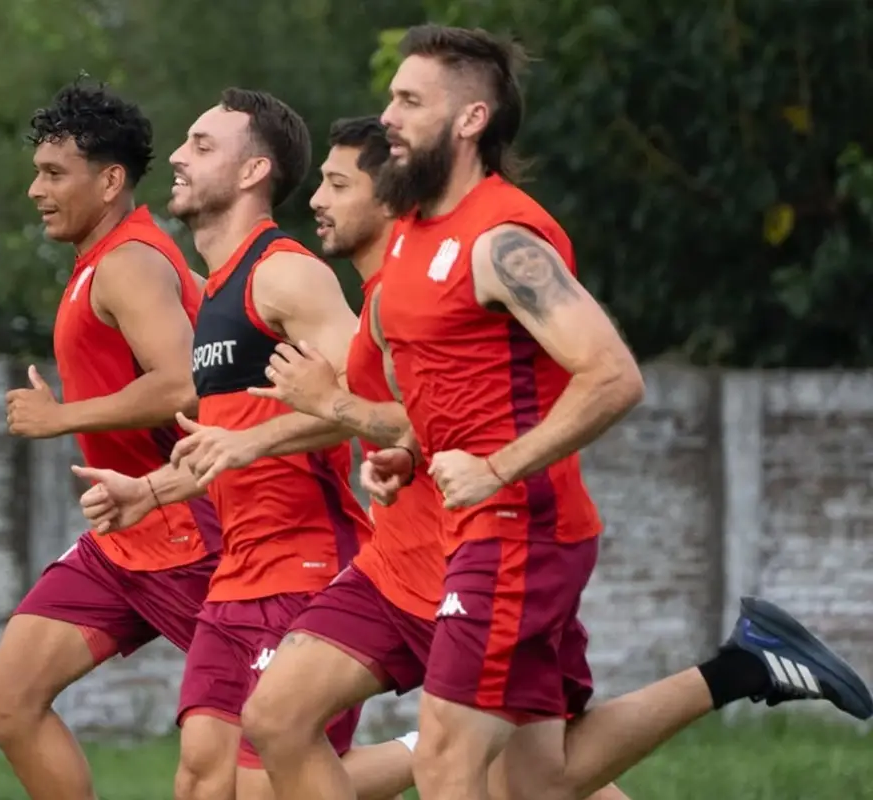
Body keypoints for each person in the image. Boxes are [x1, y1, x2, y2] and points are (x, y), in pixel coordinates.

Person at [361, 24, 873, 800]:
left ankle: (746, 662)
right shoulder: (410, 235)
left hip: (515, 531)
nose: (387, 117)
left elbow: (611, 376)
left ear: (470, 120)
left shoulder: (502, 240)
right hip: (491, 527)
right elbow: (469, 392)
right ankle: (744, 663)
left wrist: (495, 468)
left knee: (444, 762)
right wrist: (414, 450)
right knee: (537, 783)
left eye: (408, 100)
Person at [237, 117, 630, 800]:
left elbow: (432, 421)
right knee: (276, 719)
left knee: (526, 779)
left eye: (336, 184)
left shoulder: (429, 283)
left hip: (468, 559)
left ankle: (739, 670)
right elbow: (424, 428)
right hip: (398, 564)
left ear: (387, 195)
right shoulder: (389, 291)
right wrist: (388, 454)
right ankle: (741, 668)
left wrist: (336, 407)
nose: (316, 201)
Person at [73, 89, 414, 800]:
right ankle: (438, 750)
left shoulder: (284, 274)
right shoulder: (217, 291)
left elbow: (381, 402)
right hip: (237, 574)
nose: (176, 156)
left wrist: (254, 442)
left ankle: (431, 750)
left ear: (255, 170)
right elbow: (228, 444)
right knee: (200, 777)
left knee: (264, 787)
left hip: (307, 562)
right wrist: (152, 490)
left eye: (202, 145)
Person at [0, 79, 222, 800]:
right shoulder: (104, 260)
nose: (35, 190)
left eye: (55, 174)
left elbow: (182, 384)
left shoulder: (130, 263)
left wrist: (62, 419)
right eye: (38, 171)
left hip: (185, 538)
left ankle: (445, 754)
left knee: (268, 764)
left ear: (110, 180)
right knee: (8, 699)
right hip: (123, 540)